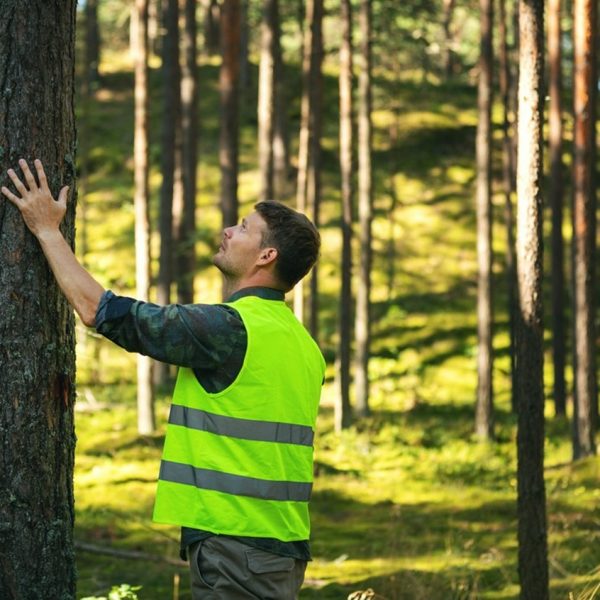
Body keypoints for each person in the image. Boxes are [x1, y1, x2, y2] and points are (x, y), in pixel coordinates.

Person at [2, 159, 325, 600]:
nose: (229, 230)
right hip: (278, 547)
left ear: (267, 256)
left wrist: (47, 231)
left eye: (244, 228)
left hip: (236, 548)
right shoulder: (301, 342)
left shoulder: (231, 329)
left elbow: (103, 312)